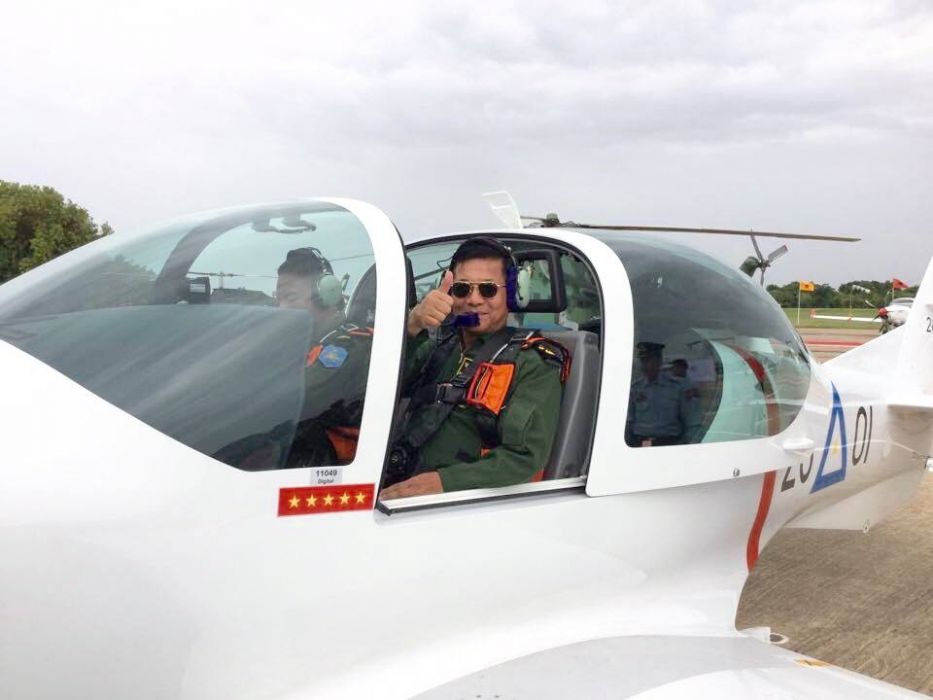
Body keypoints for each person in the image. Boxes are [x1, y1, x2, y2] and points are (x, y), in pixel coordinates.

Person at [380, 237, 567, 499]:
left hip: (455, 502)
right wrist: (412, 324)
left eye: (488, 289)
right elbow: (377, 390)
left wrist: (444, 483)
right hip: (394, 480)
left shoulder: (532, 363)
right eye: (462, 289)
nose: (474, 300)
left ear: (512, 292)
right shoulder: (437, 346)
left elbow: (523, 459)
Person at [277, 248, 373, 466]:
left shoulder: (348, 344)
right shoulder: (303, 342)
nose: (281, 308)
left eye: (290, 298)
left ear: (326, 296)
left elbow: (297, 399)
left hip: (326, 465)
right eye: (279, 299)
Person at [627, 342, 697, 447]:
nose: (645, 365)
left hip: (669, 444)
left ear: (659, 361)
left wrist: (685, 445)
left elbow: (691, 421)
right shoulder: (635, 388)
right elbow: (630, 421)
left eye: (648, 361)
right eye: (642, 361)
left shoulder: (676, 387)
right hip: (639, 444)